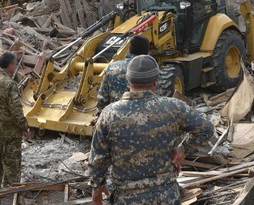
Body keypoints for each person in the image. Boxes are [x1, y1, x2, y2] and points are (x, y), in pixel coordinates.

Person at [89, 55, 215, 205]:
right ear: (156, 81)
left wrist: (97, 187)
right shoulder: (173, 107)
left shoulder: (109, 114)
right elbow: (206, 128)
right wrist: (183, 149)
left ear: (128, 81)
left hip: (126, 198)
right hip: (166, 196)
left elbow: (98, 158)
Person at [0, 51, 31, 190]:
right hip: (10, 132)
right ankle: (10, 191)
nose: (15, 67)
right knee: (12, 163)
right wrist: (25, 128)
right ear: (10, 66)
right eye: (15, 65)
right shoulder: (9, 84)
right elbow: (16, 111)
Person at [96, 34, 151, 111]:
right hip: (144, 117)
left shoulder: (113, 67)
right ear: (147, 51)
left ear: (129, 49)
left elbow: (102, 98)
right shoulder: (151, 70)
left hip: (116, 116)